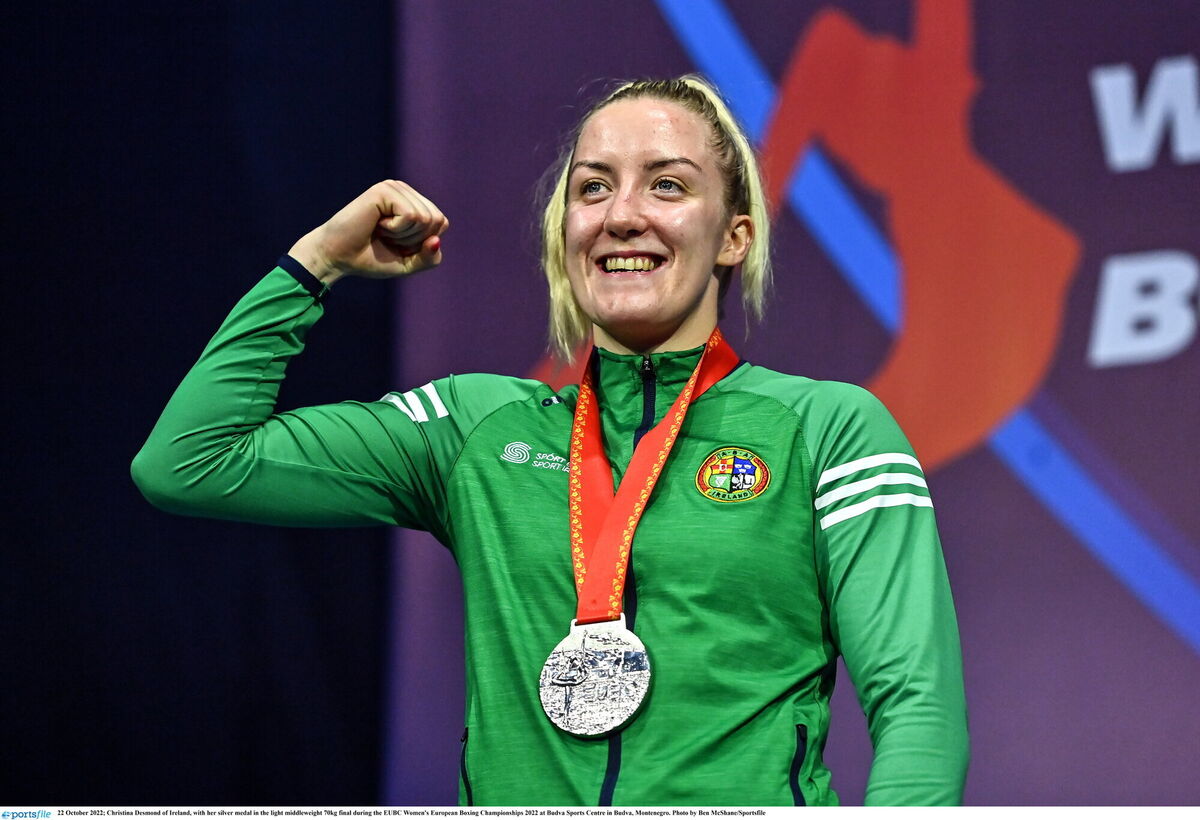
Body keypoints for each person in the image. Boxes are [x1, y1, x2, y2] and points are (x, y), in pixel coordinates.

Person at [133, 75, 968, 806]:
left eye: (668, 186)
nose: (623, 215)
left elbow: (917, 703)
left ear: (734, 236)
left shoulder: (828, 429)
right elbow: (188, 464)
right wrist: (316, 262)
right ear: (563, 230)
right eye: (593, 187)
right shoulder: (476, 429)